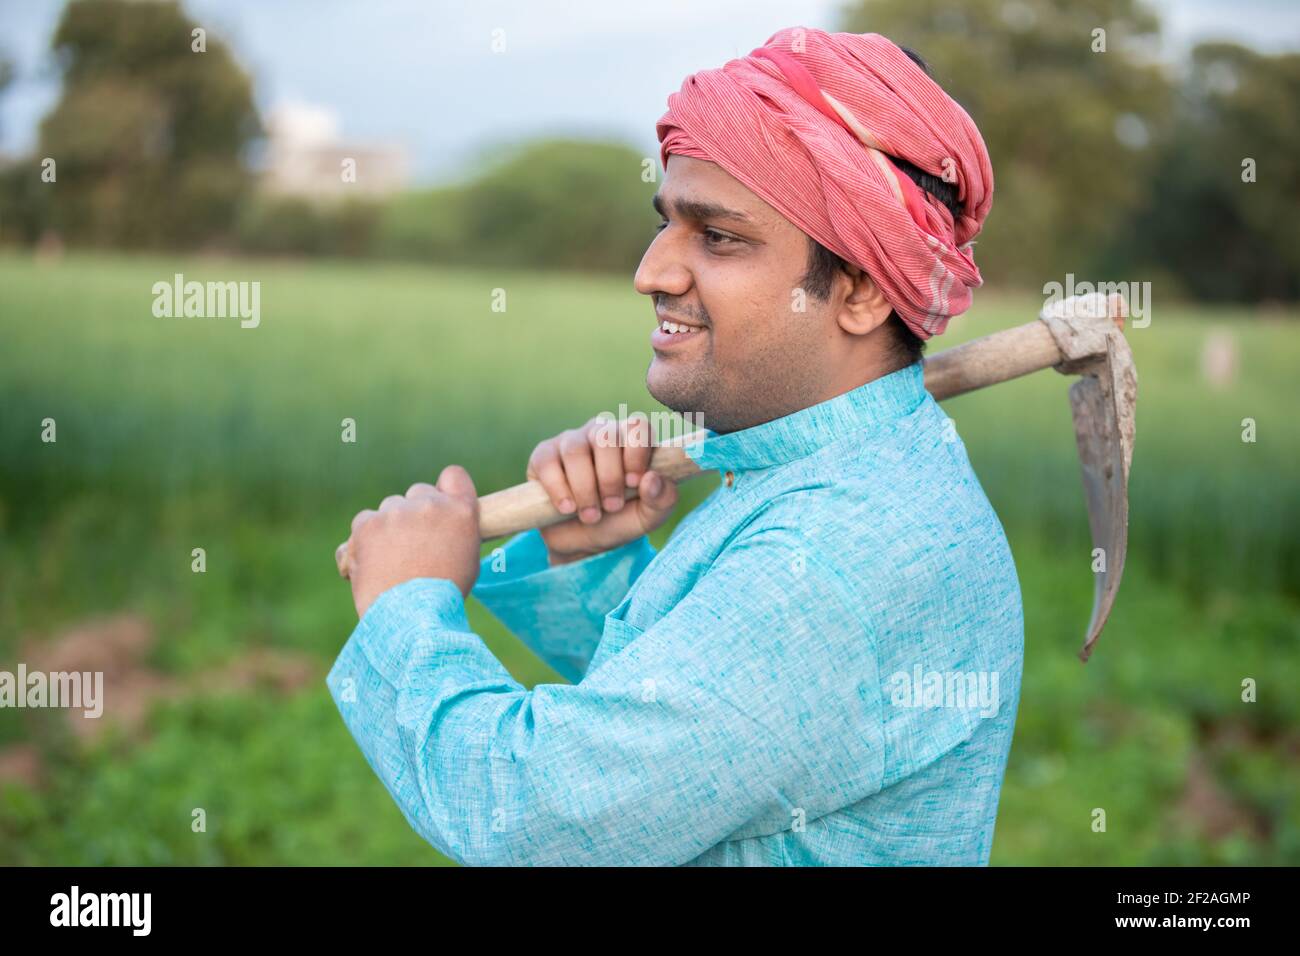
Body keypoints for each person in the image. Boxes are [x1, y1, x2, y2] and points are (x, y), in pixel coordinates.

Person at [328, 27, 1023, 866]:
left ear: (863, 292)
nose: (651, 272)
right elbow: (713, 745)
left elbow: (537, 815)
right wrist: (586, 561)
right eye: (666, 223)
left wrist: (407, 608)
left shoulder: (835, 552)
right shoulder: (837, 479)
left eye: (718, 236)